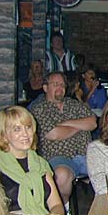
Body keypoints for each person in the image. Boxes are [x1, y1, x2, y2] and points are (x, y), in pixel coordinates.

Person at [30, 72, 96, 205]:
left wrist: (65, 123)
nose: (60, 87)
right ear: (45, 87)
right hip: (59, 157)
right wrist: (80, 125)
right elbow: (53, 134)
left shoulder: (74, 104)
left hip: (87, 155)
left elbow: (93, 123)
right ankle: (63, 209)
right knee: (61, 175)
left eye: (62, 84)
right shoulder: (39, 109)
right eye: (55, 84)